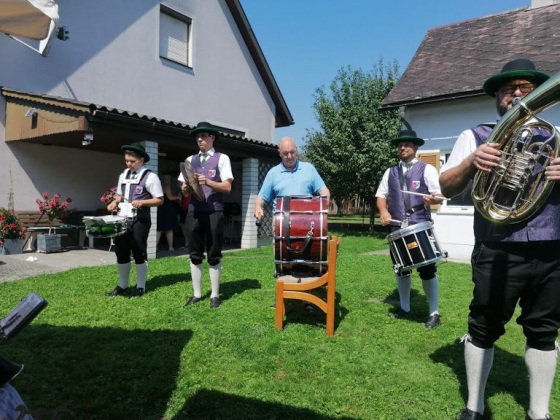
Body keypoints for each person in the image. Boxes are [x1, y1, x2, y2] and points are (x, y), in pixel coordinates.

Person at [439, 58, 558, 420]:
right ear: (497, 96)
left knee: (544, 330)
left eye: (526, 88)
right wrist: (472, 162)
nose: (518, 94)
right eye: (509, 89)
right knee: (483, 326)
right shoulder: (473, 136)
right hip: (497, 246)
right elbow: (446, 185)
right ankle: (475, 406)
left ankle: (539, 412)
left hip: (552, 247)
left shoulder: (555, 136)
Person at [375, 129, 444, 329]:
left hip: (419, 226)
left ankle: (434, 312)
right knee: (401, 269)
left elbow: (438, 195)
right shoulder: (390, 172)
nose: (402, 148)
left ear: (415, 147)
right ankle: (404, 307)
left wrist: (432, 198)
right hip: (396, 228)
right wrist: (383, 212)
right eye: (400, 145)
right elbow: (381, 196)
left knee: (427, 270)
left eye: (406, 144)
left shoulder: (427, 169)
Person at [254, 136, 330, 312]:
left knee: (308, 261)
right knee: (282, 262)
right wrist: (258, 207)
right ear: (279, 153)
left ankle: (307, 300)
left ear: (296, 150)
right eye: (285, 153)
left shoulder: (309, 169)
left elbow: (324, 191)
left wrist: (323, 212)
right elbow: (261, 197)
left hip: (308, 225)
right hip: (282, 225)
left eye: (292, 152)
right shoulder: (273, 173)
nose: (289, 156)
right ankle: (283, 299)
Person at [179, 121, 233, 309]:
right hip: (194, 212)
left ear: (212, 138)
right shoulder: (189, 160)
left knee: (213, 253)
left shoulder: (222, 158)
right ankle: (196, 294)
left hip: (213, 210)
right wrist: (185, 188)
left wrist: (208, 182)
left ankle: (215, 295)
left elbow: (227, 187)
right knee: (194, 253)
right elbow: (184, 192)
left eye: (204, 136)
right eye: (197, 136)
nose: (200, 139)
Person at [106, 144, 163, 297]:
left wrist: (143, 202)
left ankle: (141, 286)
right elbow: (119, 195)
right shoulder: (123, 175)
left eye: (132, 161)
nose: (129, 164)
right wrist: (114, 203)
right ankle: (122, 285)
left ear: (141, 160)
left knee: (138, 251)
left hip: (140, 219)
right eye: (126, 161)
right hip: (122, 218)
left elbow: (159, 200)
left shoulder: (150, 176)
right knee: (121, 251)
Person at [156, 174, 181, 251]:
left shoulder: (158, 186)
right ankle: (170, 247)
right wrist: (178, 197)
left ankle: (155, 246)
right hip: (167, 208)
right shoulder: (167, 186)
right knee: (169, 229)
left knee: (159, 229)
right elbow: (170, 197)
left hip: (159, 208)